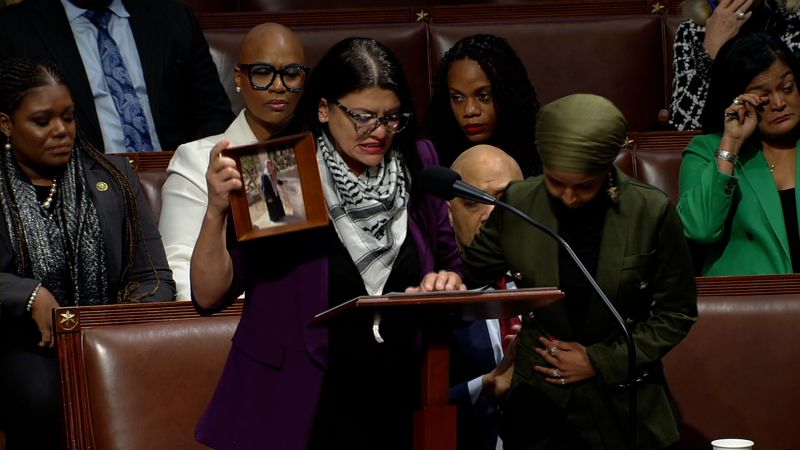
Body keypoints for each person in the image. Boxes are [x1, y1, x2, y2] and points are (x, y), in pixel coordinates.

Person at [190, 37, 464, 450]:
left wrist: (445, 283)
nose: (379, 132)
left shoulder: (417, 161)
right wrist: (216, 211)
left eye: (392, 117)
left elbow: (452, 269)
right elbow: (210, 294)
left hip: (400, 397)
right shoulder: (282, 174)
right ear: (323, 109)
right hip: (301, 403)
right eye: (363, 116)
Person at [462, 94, 698, 450]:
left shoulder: (649, 211)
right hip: (537, 407)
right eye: (556, 184)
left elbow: (676, 314)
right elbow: (472, 274)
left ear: (606, 169)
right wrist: (444, 279)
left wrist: (600, 361)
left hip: (623, 406)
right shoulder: (520, 202)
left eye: (584, 186)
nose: (569, 197)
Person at [0, 57, 175, 450]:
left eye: (68, 117)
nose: (61, 131)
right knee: (40, 395)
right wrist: (27, 294)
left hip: (109, 338)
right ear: (6, 124)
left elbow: (154, 277)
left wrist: (118, 326)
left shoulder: (113, 177)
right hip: (22, 343)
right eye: (43, 121)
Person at [159, 23, 306, 300]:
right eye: (263, 73)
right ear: (239, 77)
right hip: (228, 322)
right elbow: (180, 275)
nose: (278, 86)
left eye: (291, 75)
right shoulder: (196, 160)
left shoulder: (321, 155)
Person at [0, 0, 235, 152]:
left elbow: (214, 116)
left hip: (175, 177)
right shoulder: (15, 30)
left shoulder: (173, 17)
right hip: (75, 187)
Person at [678, 32, 800, 275]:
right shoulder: (706, 150)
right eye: (763, 97)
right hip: (749, 304)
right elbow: (700, 228)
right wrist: (731, 144)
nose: (778, 103)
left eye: (787, 88)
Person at [447, 144, 523, 450]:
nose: (491, 216)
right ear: (448, 213)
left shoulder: (561, 279)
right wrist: (485, 386)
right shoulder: (431, 294)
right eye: (473, 201)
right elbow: (402, 407)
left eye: (506, 200)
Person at [670, 0, 800, 130]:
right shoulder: (690, 31)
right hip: (730, 139)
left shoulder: (792, 22)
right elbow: (684, 126)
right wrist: (711, 55)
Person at [424, 34, 541, 177]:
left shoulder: (540, 154)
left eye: (483, 96)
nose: (470, 110)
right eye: (458, 98)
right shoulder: (433, 160)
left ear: (508, 94)